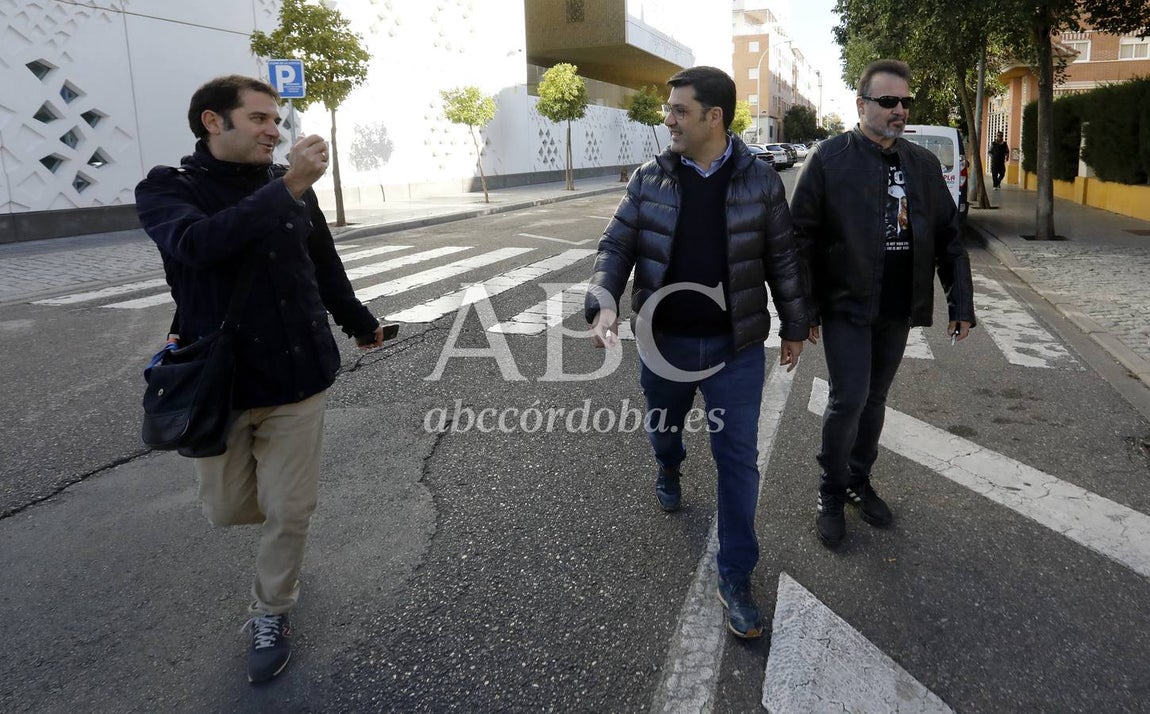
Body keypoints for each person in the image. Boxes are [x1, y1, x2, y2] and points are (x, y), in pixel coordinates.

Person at [135, 75, 384, 684]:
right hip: (220, 380)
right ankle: (281, 542)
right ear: (213, 122)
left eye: (277, 120)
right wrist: (293, 184)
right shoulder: (169, 189)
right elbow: (197, 246)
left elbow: (322, 261)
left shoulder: (287, 189)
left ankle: (272, 609)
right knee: (228, 510)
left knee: (290, 508)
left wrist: (358, 321)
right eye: (259, 120)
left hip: (298, 373)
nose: (276, 130)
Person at [585, 66, 809, 639]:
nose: (668, 119)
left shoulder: (760, 180)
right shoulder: (650, 178)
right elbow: (617, 244)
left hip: (735, 349)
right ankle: (668, 462)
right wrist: (604, 299)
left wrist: (794, 323)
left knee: (738, 461)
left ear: (714, 117)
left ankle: (735, 576)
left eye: (679, 110)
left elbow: (783, 257)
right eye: (668, 109)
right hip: (664, 347)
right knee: (666, 430)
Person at [790, 59, 976, 548]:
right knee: (848, 398)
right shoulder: (829, 158)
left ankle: (857, 478)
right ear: (862, 105)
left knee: (875, 400)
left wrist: (961, 302)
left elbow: (949, 238)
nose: (899, 110)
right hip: (847, 304)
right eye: (888, 101)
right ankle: (830, 490)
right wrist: (804, 309)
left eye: (905, 102)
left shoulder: (923, 164)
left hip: (897, 306)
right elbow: (799, 239)